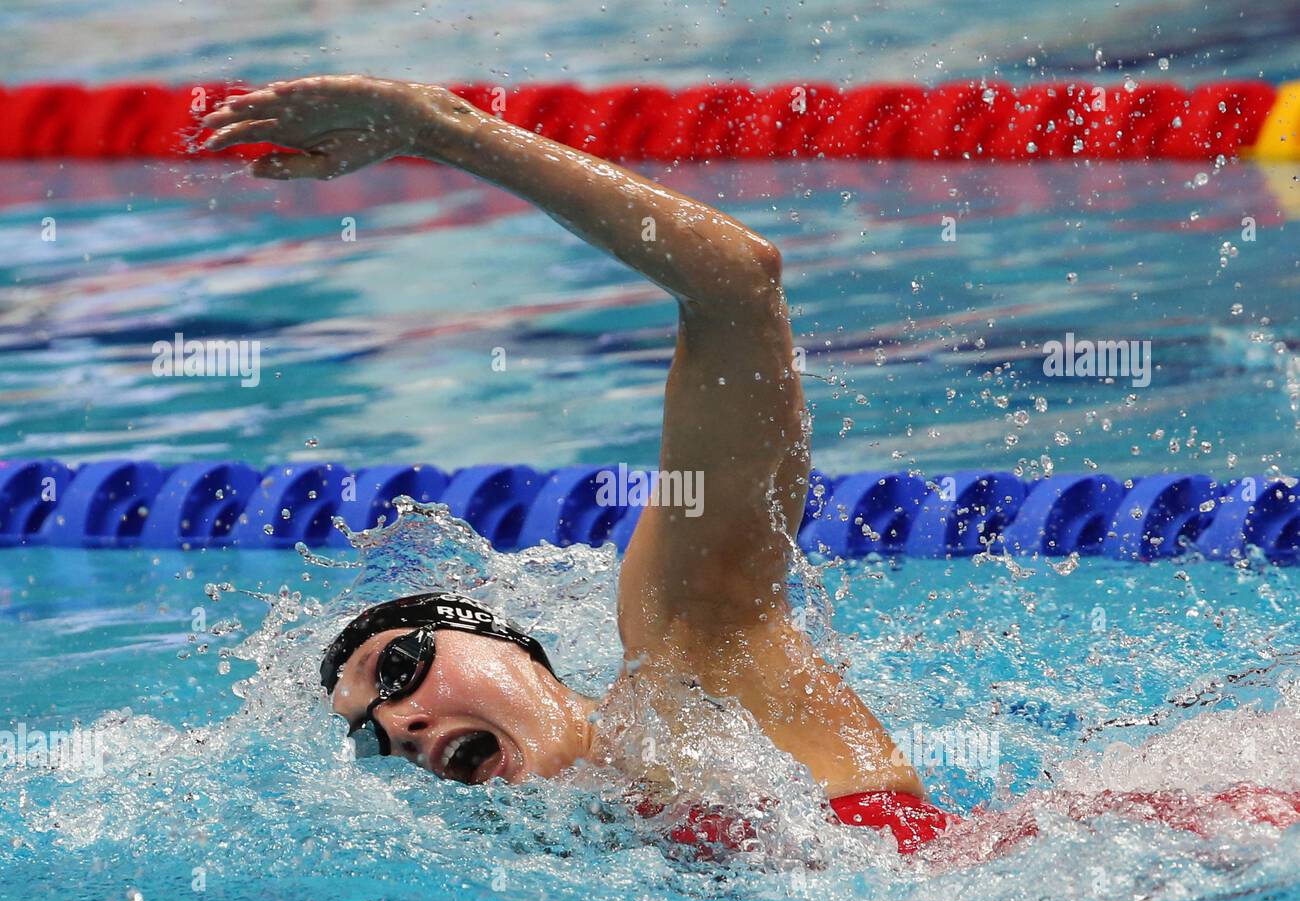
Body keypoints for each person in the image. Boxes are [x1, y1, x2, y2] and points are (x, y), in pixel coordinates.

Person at [201, 77, 1298, 858]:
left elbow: (733, 282)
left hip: (1216, 828)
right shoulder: (588, 857)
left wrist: (439, 129)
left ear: (512, 644)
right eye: (372, 738)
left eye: (401, 673)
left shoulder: (689, 647)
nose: (397, 725)